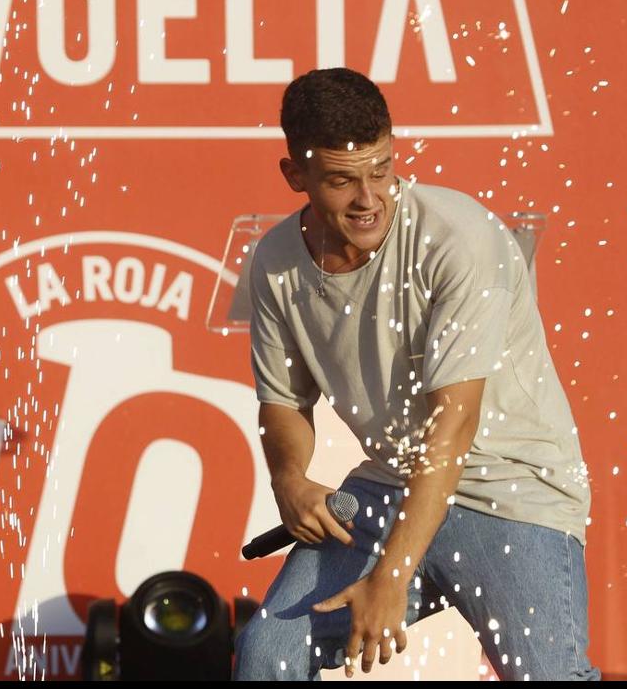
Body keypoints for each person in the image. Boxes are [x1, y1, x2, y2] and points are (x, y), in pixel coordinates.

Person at [233, 68, 600, 681]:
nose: (368, 197)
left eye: (381, 170)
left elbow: (452, 427)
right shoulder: (275, 260)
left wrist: (392, 575)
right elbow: (282, 401)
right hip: (388, 486)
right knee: (268, 656)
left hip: (510, 493)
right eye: (342, 179)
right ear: (295, 176)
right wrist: (290, 481)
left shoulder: (459, 239)